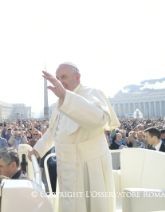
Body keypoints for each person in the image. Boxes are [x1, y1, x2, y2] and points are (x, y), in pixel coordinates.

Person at [28, 62, 119, 212]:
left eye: (63, 77)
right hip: (66, 165)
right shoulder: (59, 102)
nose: (59, 81)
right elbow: (53, 131)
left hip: (89, 167)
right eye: (57, 78)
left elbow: (99, 119)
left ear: (77, 77)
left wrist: (65, 95)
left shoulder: (91, 92)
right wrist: (37, 150)